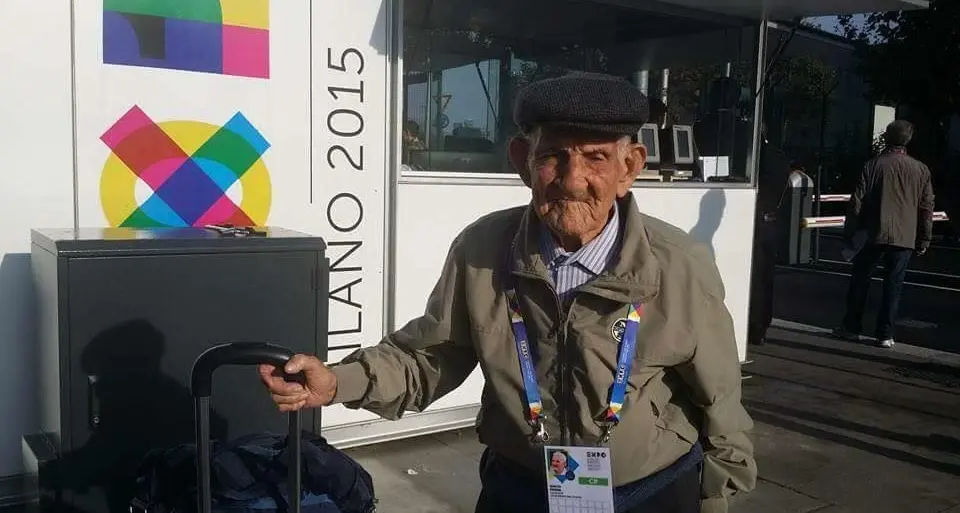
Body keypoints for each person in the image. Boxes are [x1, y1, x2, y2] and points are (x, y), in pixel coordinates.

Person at [259, 73, 757, 513]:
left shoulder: (679, 262)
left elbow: (717, 391)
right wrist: (336, 382)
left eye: (596, 158)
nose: (572, 179)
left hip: (650, 491)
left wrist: (715, 493)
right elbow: (432, 356)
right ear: (524, 160)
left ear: (628, 168)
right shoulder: (482, 248)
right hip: (520, 489)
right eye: (553, 156)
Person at [833, 120, 935, 348]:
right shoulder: (921, 170)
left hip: (872, 234)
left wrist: (850, 232)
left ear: (887, 138)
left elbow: (856, 203)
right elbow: (926, 207)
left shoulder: (872, 166)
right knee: (894, 286)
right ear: (908, 139)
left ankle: (851, 327)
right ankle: (885, 334)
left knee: (861, 281)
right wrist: (924, 237)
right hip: (904, 237)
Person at [747, 123, 792, 346]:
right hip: (772, 222)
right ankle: (762, 324)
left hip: (752, 222)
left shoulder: (752, 156)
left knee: (753, 276)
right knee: (766, 276)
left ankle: (753, 324)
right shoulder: (779, 156)